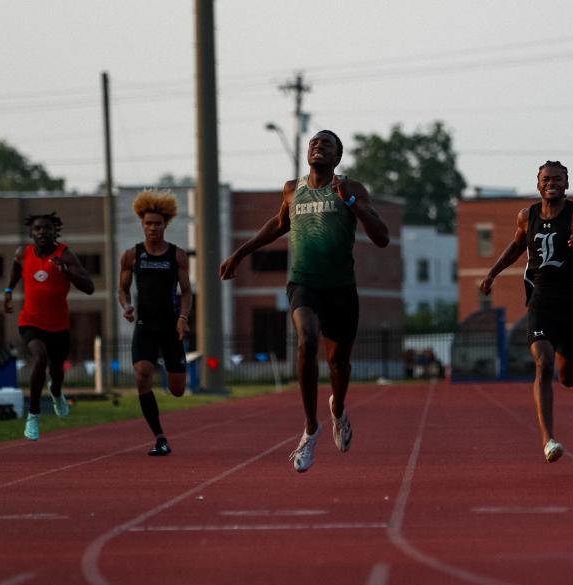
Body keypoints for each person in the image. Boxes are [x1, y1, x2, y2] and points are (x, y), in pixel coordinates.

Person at [219, 130, 390, 473]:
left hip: (341, 287)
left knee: (339, 364)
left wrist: (351, 203)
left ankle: (338, 410)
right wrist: (239, 254)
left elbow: (382, 238)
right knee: (306, 339)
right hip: (304, 284)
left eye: (326, 144)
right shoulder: (292, 189)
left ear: (337, 157)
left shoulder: (351, 189)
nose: (318, 146)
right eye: (314, 142)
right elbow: (278, 224)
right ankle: (311, 428)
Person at [479, 160, 573, 463]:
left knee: (568, 377)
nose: (552, 183)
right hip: (539, 302)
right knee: (543, 362)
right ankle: (548, 438)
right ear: (538, 184)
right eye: (546, 178)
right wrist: (492, 273)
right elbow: (515, 246)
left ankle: (564, 373)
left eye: (558, 179)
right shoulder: (527, 216)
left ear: (566, 183)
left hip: (572, 306)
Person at [3, 212, 94, 440]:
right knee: (39, 358)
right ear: (31, 233)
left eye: (46, 228)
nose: (42, 232)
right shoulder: (22, 253)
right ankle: (33, 416)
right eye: (37, 229)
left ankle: (56, 393)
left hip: (58, 326)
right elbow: (15, 269)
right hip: (30, 321)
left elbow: (89, 287)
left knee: (55, 371)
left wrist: (67, 271)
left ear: (55, 231)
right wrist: (8, 290)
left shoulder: (65, 254)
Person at [118, 191, 193, 456]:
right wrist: (126, 306)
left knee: (177, 390)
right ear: (142, 223)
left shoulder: (177, 255)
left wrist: (183, 318)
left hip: (171, 327)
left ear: (165, 225)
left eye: (157, 223)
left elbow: (186, 292)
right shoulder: (132, 255)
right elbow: (123, 290)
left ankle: (166, 364)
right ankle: (160, 437)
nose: (152, 228)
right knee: (142, 375)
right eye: (148, 223)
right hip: (145, 326)